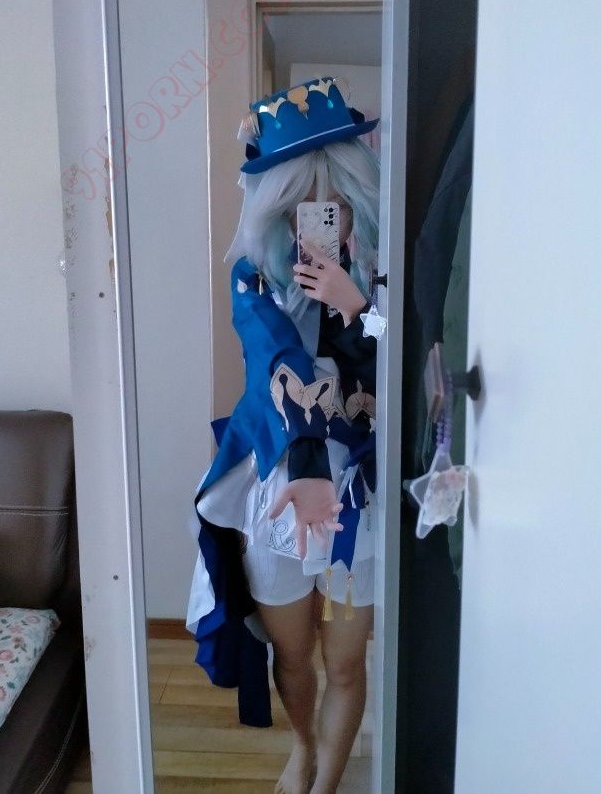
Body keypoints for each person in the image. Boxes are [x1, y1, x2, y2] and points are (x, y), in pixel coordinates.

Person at [186, 75, 381, 794]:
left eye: (334, 202)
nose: (319, 219)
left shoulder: (378, 280)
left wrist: (358, 306)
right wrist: (305, 467)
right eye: (304, 203)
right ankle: (303, 746)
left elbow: (403, 359)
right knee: (292, 657)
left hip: (360, 493)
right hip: (279, 482)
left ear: (355, 200)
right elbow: (275, 357)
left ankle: (324, 783)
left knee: (347, 664)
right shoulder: (254, 278)